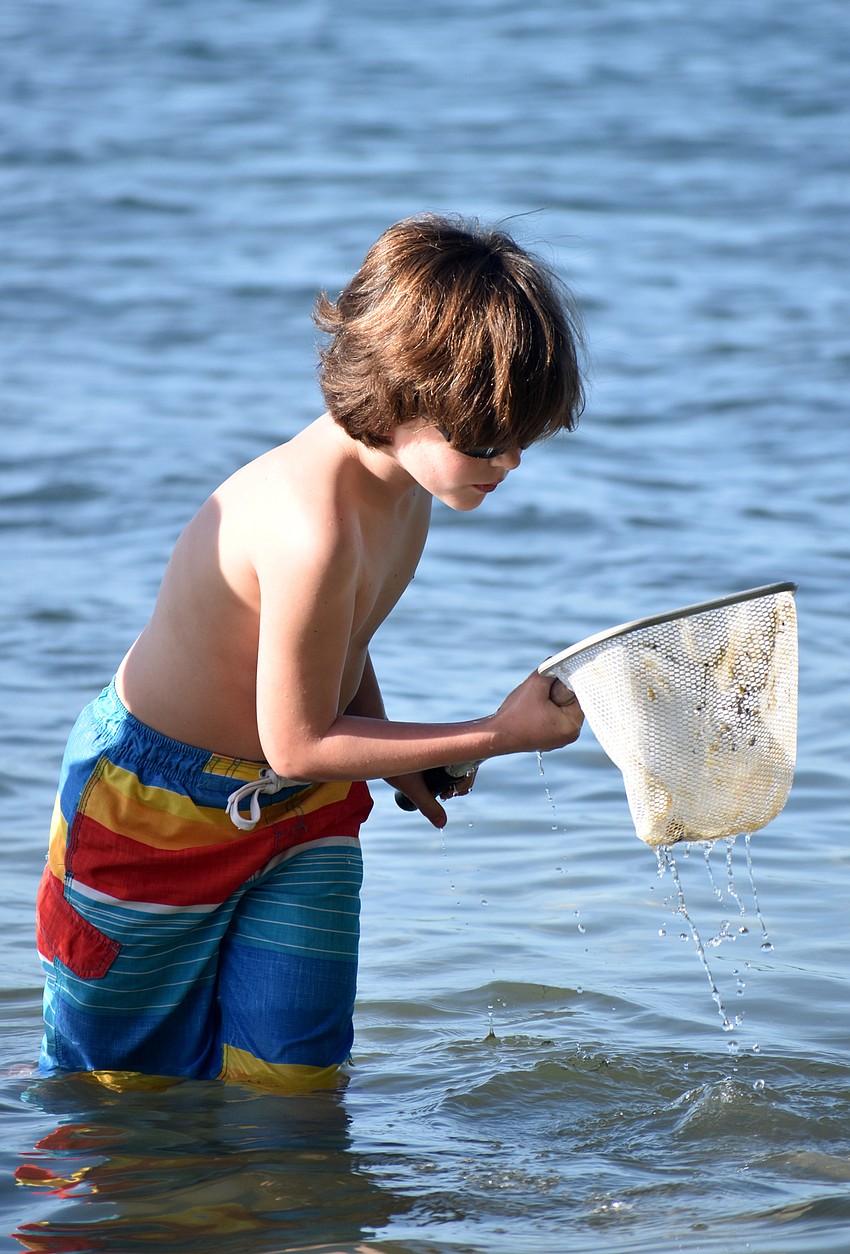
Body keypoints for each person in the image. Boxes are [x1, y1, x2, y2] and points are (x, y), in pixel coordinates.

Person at [36, 214, 586, 1090]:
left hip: (302, 812)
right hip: (153, 804)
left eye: (524, 437)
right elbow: (294, 737)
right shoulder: (310, 522)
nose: (511, 460)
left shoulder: (406, 492)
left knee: (294, 1077)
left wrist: (392, 749)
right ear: (400, 397)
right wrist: (492, 734)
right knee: (116, 1086)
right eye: (485, 441)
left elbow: (342, 647)